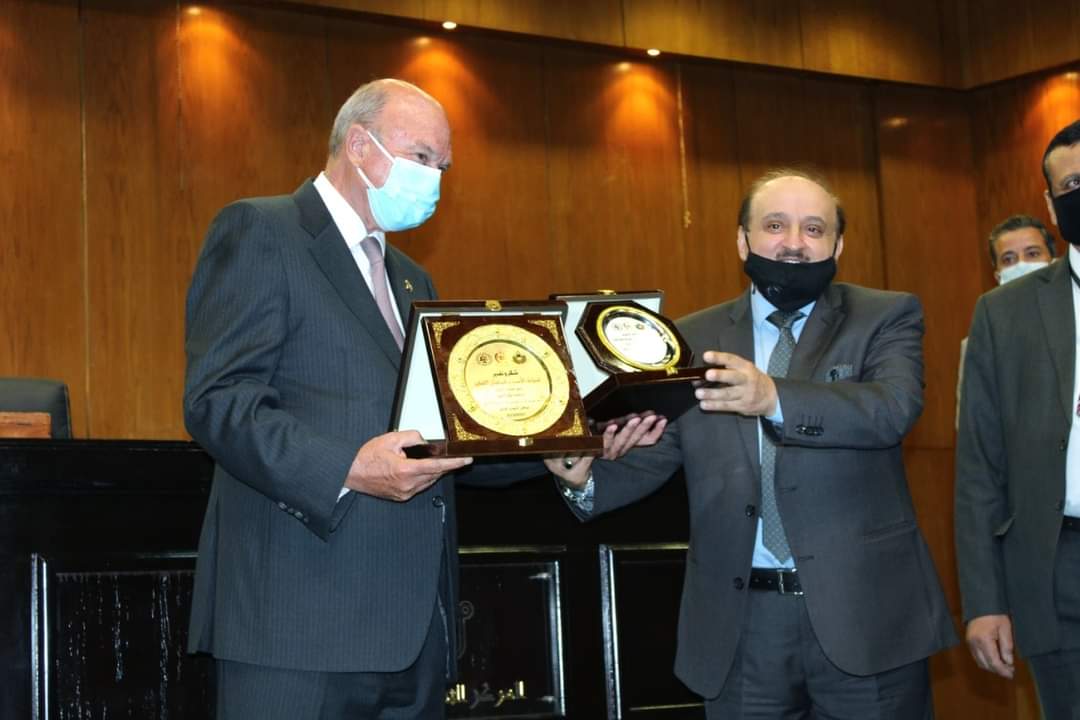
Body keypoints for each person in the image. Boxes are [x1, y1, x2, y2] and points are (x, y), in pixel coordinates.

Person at [183, 78, 652, 719]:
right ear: (359, 145)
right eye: (422, 157)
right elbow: (219, 400)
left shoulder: (411, 278)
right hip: (297, 621)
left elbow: (439, 436)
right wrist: (348, 468)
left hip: (415, 631)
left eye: (443, 166)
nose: (434, 179)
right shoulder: (262, 230)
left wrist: (552, 448)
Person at [549, 168, 956, 719]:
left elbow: (891, 409)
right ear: (742, 240)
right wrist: (583, 480)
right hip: (741, 627)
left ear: (838, 245)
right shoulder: (690, 338)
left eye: (814, 229)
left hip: (867, 618)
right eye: (775, 225)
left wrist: (774, 397)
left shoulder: (884, 315)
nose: (794, 243)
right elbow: (659, 448)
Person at [957, 118, 1080, 719]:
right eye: (1072, 184)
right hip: (1061, 567)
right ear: (1052, 206)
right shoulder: (1003, 314)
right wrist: (984, 600)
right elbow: (980, 466)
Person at [955, 215, 1057, 427]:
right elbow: (973, 427)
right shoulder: (978, 344)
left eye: (1032, 254)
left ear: (1054, 262)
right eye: (1008, 259)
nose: (1021, 265)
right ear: (997, 276)